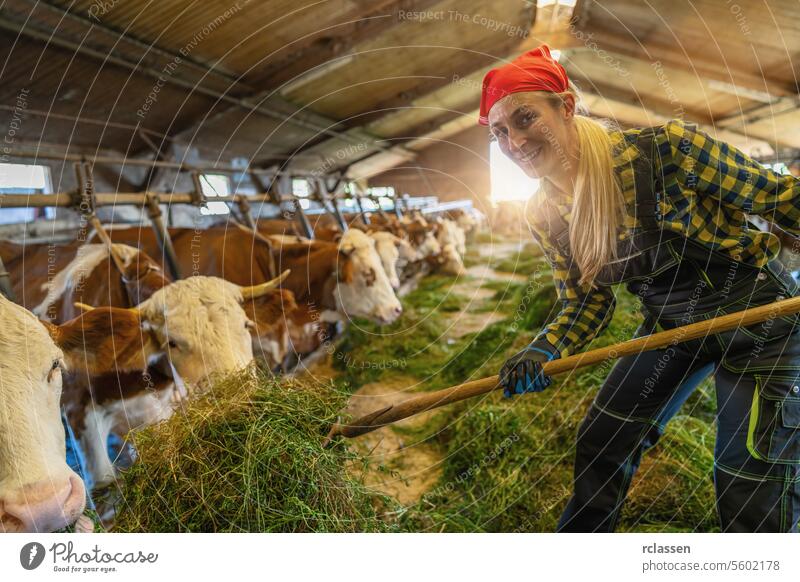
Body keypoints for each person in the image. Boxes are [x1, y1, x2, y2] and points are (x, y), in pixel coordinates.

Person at [482, 45, 800, 532]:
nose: (515, 141)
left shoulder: (667, 152)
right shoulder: (544, 212)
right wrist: (543, 348)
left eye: (525, 118)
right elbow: (586, 302)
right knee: (601, 441)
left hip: (762, 321)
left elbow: (776, 197)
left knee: (745, 473)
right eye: (500, 131)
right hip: (671, 327)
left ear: (565, 107)